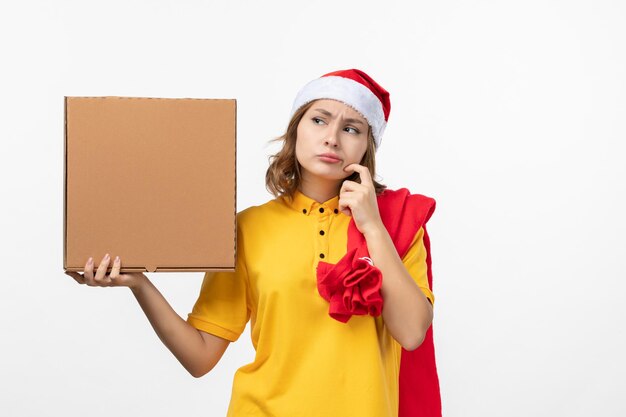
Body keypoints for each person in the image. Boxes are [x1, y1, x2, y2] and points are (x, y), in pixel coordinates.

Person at [65, 69, 439, 417]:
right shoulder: (248, 227)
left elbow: (410, 333)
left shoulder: (398, 223)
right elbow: (199, 357)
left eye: (352, 128)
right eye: (319, 119)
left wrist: (372, 227)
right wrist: (139, 283)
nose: (332, 137)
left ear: (366, 147)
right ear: (296, 130)